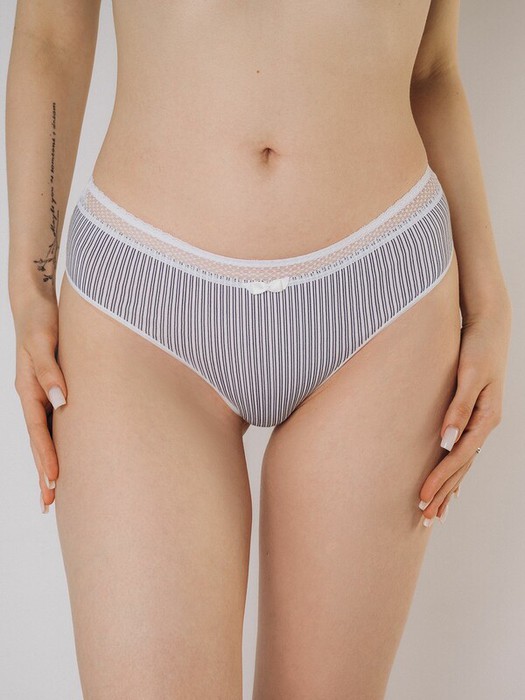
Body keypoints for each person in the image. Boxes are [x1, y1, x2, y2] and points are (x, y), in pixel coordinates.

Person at [6, 0, 512, 697]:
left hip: (384, 300)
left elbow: (430, 68)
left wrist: (489, 302)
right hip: (140, 306)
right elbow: (50, 36)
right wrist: (29, 284)